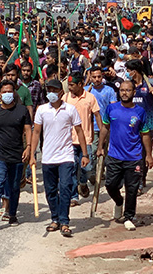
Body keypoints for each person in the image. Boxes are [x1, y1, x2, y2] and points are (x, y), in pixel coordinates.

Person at [29, 79, 88, 237]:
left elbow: (79, 131)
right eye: (49, 90)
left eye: (54, 90)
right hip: (48, 157)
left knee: (66, 187)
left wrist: (85, 154)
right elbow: (36, 133)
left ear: (61, 92)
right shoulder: (42, 110)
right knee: (50, 191)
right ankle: (55, 218)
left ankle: (65, 221)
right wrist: (32, 155)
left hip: (66, 156)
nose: (51, 93)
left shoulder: (70, 109)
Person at [98, 81, 153, 231]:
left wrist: (148, 155)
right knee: (110, 184)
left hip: (134, 156)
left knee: (132, 188)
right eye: (122, 90)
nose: (124, 93)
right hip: (114, 155)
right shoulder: (111, 109)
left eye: (128, 90)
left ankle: (129, 216)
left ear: (134, 92)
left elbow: (145, 134)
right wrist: (100, 147)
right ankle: (118, 201)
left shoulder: (140, 112)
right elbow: (105, 128)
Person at [0, 79, 32, 231]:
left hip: (17, 155)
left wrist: (29, 148)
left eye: (9, 91)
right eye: (4, 92)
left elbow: (28, 130)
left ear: (14, 93)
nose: (7, 94)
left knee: (14, 186)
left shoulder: (22, 111)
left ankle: (12, 214)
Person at [125, 59, 153, 192]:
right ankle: (134, 178)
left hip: (148, 125)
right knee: (133, 153)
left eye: (128, 71)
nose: (127, 73)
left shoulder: (150, 83)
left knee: (143, 153)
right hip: (131, 125)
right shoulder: (128, 85)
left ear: (134, 71)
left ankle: (140, 180)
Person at [63, 71, 102, 206]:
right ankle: (74, 196)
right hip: (69, 140)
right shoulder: (66, 98)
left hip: (86, 139)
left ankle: (83, 183)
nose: (70, 87)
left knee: (87, 168)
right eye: (69, 85)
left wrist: (102, 132)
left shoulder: (90, 98)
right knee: (72, 168)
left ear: (80, 84)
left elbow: (97, 115)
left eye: (72, 85)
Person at [85, 66, 119, 181]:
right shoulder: (86, 91)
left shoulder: (109, 90)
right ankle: (93, 172)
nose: (97, 79)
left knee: (104, 150)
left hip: (106, 126)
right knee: (93, 150)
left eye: (99, 76)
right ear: (90, 77)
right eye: (94, 77)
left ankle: (101, 171)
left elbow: (113, 108)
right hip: (91, 126)